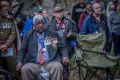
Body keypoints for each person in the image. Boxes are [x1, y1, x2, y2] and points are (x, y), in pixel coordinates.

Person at [16, 15, 69, 80]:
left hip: (50, 62)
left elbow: (62, 47)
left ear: (45, 24)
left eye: (42, 23)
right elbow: (22, 50)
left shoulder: (53, 34)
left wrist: (65, 56)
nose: (40, 25)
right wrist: (19, 62)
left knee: (58, 66)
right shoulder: (28, 35)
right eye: (38, 23)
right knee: (25, 68)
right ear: (34, 25)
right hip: (34, 63)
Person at [0, 0, 16, 74]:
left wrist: (6, 44)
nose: (6, 8)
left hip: (9, 47)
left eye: (7, 6)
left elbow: (13, 33)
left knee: (14, 69)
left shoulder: (10, 19)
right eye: (4, 6)